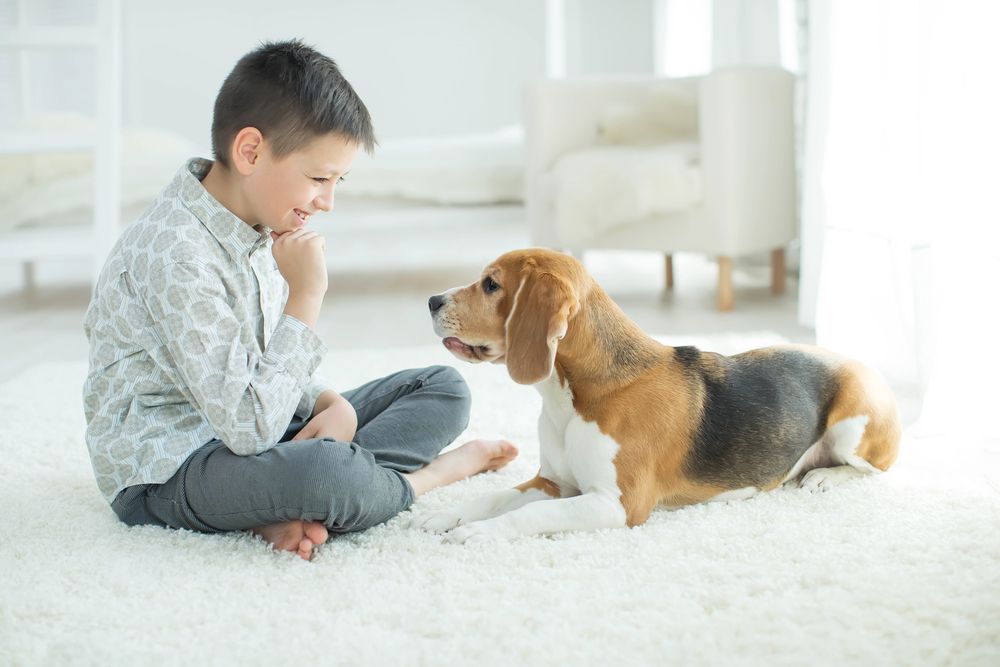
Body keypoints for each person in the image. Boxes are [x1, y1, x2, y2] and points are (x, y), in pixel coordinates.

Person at [82, 39, 517, 561]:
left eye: (337, 181)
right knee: (324, 474)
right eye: (318, 178)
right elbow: (247, 426)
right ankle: (423, 480)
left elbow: (255, 366)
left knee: (442, 387)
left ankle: (282, 503)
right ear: (250, 151)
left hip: (252, 427)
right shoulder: (178, 255)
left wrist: (328, 404)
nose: (327, 201)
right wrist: (306, 295)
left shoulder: (254, 224)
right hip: (170, 466)